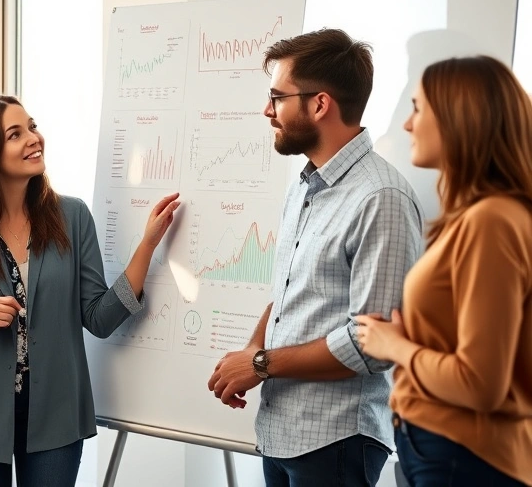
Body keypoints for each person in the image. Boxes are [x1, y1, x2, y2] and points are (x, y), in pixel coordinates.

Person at [0, 95, 180, 487]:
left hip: (57, 415)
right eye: (15, 134)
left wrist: (148, 245)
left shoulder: (71, 217)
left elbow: (99, 318)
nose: (34, 139)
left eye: (32, 126)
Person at [207, 28, 424, 486]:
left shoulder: (379, 197)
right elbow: (289, 292)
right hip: (282, 431)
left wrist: (262, 363)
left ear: (320, 104)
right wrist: (251, 352)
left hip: (336, 439)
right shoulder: (306, 186)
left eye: (277, 97)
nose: (268, 111)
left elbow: (371, 343)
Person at [357, 56, 532, 486]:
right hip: (448, 450)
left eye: (418, 108)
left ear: (460, 117)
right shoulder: (482, 217)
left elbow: (480, 384)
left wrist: (394, 346)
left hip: (462, 455)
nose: (407, 125)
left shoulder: (491, 221)